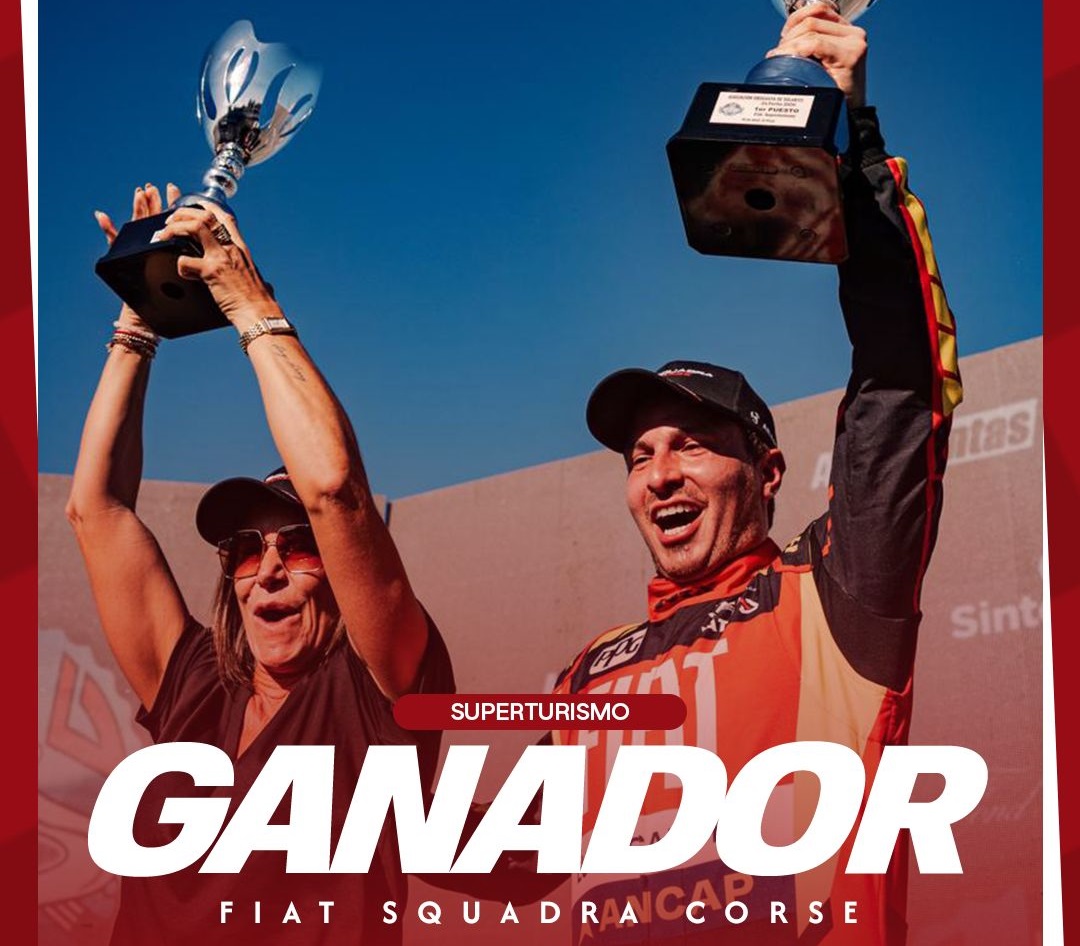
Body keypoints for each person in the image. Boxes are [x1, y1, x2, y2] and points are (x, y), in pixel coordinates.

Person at [443, 5, 961, 944]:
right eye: (640, 456)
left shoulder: (836, 594)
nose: (660, 476)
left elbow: (901, 379)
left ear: (767, 471)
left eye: (689, 445)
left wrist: (852, 143)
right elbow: (516, 852)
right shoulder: (590, 672)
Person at [67, 184, 453, 945]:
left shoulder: (380, 690)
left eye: (298, 544)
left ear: (341, 570)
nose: (267, 569)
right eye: (245, 549)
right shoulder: (194, 683)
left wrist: (249, 305)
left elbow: (335, 491)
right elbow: (96, 510)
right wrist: (139, 321)